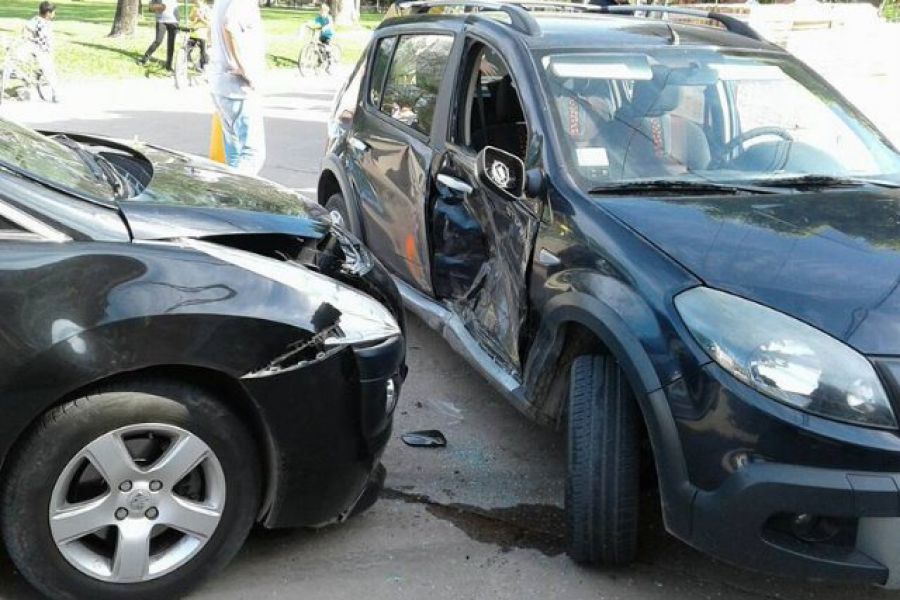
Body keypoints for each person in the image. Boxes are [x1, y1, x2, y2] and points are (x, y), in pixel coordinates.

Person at [208, 0, 267, 175]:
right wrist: (244, 68)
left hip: (222, 84)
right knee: (252, 154)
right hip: (237, 90)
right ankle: (238, 199)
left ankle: (228, 197)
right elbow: (230, 25)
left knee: (234, 154)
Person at [24, 1, 60, 103]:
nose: (54, 14)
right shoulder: (41, 23)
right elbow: (27, 31)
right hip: (41, 51)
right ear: (48, 13)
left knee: (48, 71)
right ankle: (56, 93)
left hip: (40, 50)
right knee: (50, 72)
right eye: (54, 12)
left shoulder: (37, 21)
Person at [138, 0, 179, 71]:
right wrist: (156, 7)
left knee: (171, 44)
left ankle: (169, 66)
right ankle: (144, 59)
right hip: (161, 21)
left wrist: (178, 21)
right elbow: (150, 7)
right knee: (158, 41)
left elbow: (176, 8)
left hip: (173, 21)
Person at [187, 0, 211, 70]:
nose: (195, 2)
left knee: (203, 52)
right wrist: (194, 17)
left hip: (202, 34)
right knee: (187, 49)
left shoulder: (206, 9)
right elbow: (191, 19)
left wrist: (201, 18)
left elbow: (209, 23)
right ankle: (188, 62)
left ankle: (203, 66)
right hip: (194, 33)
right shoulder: (194, 8)